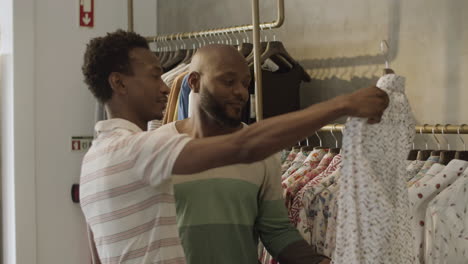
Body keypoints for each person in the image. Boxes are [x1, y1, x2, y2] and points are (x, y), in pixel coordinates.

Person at [79, 30, 388, 264]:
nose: (164, 87)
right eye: (154, 76)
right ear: (119, 83)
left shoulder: (95, 160)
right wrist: (343, 104)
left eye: (246, 83)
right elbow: (244, 147)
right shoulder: (143, 150)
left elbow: (95, 251)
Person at [170, 44, 331, 264]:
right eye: (228, 82)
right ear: (194, 82)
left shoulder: (261, 150)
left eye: (246, 84)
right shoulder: (159, 146)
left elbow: (276, 230)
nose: (241, 92)